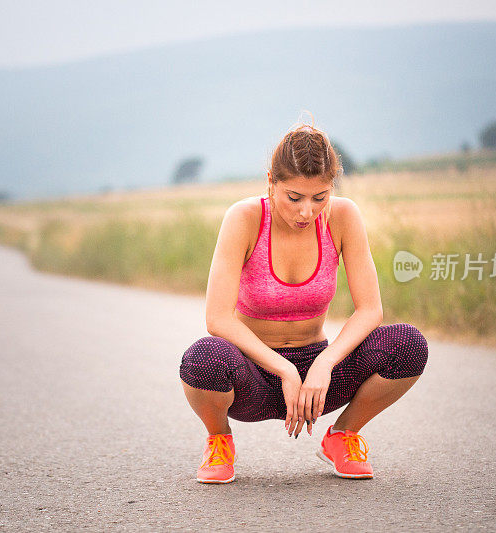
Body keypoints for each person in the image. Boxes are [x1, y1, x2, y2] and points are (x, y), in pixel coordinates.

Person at [179, 121, 429, 484]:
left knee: (408, 344)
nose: (306, 212)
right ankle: (219, 441)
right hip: (254, 374)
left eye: (320, 197)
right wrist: (284, 369)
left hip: (318, 377)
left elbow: (370, 309)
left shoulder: (343, 217)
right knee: (203, 359)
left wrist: (325, 363)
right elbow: (217, 318)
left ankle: (343, 437)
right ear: (271, 181)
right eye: (293, 197)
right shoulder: (244, 219)